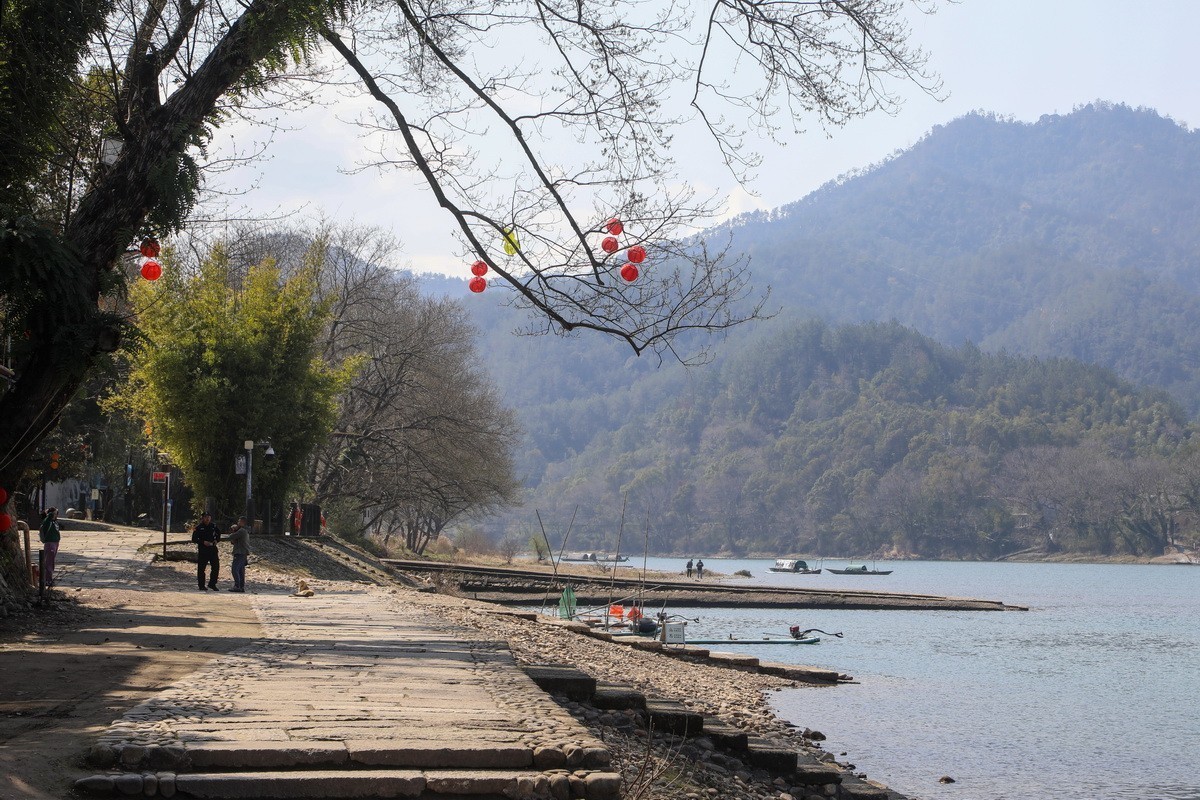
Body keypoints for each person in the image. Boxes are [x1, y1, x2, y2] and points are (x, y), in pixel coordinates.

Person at [192, 511, 221, 591]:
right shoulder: (198, 527)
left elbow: (218, 534)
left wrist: (216, 540)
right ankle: (201, 585)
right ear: (203, 518)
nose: (207, 518)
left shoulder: (213, 526)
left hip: (212, 549)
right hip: (203, 550)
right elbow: (194, 539)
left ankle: (212, 584)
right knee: (201, 568)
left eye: (209, 517)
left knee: (216, 567)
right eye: (205, 517)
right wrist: (203, 542)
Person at [227, 516, 251, 593]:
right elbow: (233, 541)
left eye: (239, 521)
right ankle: (241, 586)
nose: (238, 523)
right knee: (241, 571)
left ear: (243, 522)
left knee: (234, 569)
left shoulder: (242, 531)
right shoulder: (244, 530)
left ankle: (237, 586)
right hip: (242, 552)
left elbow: (231, 537)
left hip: (240, 552)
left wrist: (234, 530)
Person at [39, 507, 61, 587]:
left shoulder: (54, 522)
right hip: (50, 543)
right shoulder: (47, 521)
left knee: (51, 562)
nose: (56, 515)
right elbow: (48, 519)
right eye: (55, 514)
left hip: (55, 543)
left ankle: (49, 578)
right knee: (48, 562)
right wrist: (50, 513)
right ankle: (47, 580)